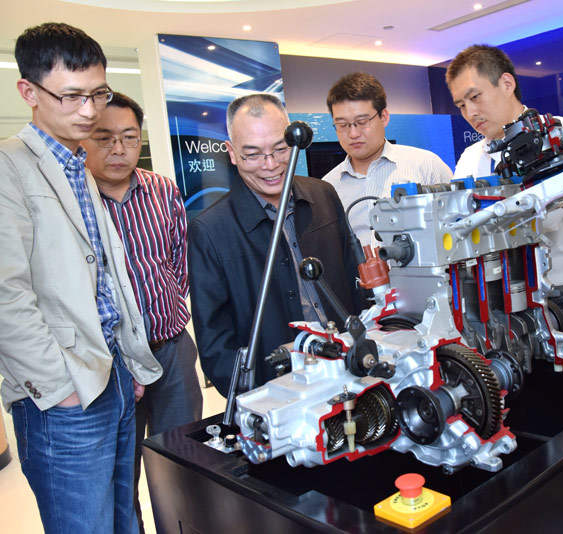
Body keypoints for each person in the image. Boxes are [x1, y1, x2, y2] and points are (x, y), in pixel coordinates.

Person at [0, 23, 162, 534]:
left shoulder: (77, 164)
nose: (90, 111)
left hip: (112, 373)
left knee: (124, 517)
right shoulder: (8, 168)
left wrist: (129, 362)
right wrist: (59, 388)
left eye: (98, 94)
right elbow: (6, 296)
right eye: (72, 96)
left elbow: (107, 277)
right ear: (29, 91)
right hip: (64, 392)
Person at [188, 93, 367, 396]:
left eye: (281, 149)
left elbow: (356, 280)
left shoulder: (323, 194)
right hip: (280, 391)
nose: (270, 165)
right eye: (253, 154)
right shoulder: (210, 230)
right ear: (232, 153)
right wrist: (258, 397)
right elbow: (215, 343)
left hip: (349, 370)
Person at [82, 92, 203, 532]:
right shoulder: (73, 199)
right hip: (110, 361)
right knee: (121, 475)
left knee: (185, 461)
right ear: (84, 139)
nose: (118, 149)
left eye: (129, 138)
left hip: (171, 350)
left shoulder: (162, 190)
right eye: (105, 138)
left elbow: (178, 261)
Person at [446, 44, 563, 349]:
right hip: (493, 301)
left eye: (475, 97)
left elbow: (544, 220)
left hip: (559, 298)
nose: (470, 113)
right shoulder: (470, 158)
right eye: (461, 105)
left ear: (506, 83)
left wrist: (474, 224)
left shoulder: (554, 134)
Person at [323, 72, 453, 244]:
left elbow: (458, 228)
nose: (353, 133)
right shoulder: (328, 187)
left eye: (362, 122)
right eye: (342, 125)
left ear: (384, 117)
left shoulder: (425, 165)